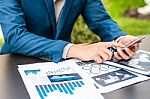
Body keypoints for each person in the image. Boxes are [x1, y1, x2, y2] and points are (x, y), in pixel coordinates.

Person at [0, 0, 139, 63]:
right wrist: (73, 49)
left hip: (64, 63)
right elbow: (15, 36)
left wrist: (120, 39)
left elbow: (101, 20)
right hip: (16, 62)